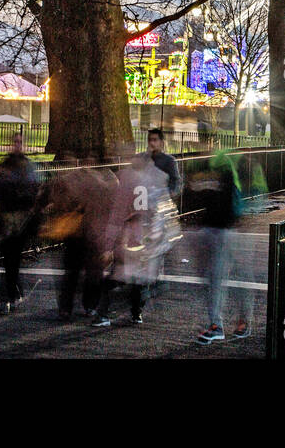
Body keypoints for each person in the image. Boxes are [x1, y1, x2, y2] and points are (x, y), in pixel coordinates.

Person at [92, 147, 178, 327]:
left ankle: (103, 313)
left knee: (117, 276)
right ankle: (136, 313)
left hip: (128, 235)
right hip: (146, 236)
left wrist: (109, 242)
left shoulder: (126, 180)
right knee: (140, 278)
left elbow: (118, 211)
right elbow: (163, 210)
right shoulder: (156, 180)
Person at [38, 155, 116, 320]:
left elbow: (56, 201)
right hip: (92, 233)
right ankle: (90, 306)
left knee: (71, 274)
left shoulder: (68, 180)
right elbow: (108, 206)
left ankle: (66, 307)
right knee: (93, 273)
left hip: (74, 233)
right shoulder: (102, 183)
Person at [187, 149, 251, 343]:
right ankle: (231, 321)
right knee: (216, 278)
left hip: (223, 230)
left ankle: (220, 324)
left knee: (219, 277)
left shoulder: (223, 165)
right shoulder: (206, 166)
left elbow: (230, 195)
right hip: (213, 228)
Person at [0, 135, 42, 312]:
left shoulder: (19, 166)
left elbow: (34, 192)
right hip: (9, 219)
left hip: (19, 219)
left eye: (20, 142)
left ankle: (9, 296)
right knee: (11, 260)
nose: (18, 145)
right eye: (16, 142)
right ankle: (11, 294)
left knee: (12, 260)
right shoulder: (15, 166)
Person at [147, 128, 181, 199]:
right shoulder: (143, 158)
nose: (151, 143)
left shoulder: (169, 160)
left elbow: (175, 180)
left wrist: (171, 192)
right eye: (150, 140)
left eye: (155, 140)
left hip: (161, 197)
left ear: (161, 142)